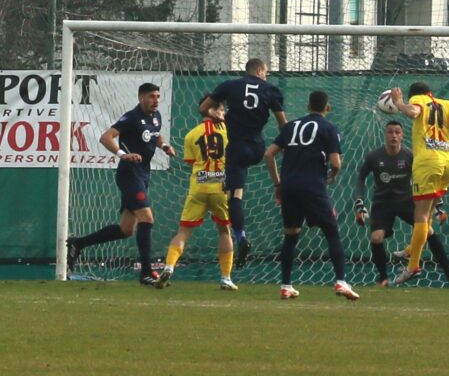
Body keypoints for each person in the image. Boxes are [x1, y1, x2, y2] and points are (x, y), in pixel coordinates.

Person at [67, 83, 176, 285]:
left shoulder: (156, 116)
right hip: (129, 175)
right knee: (147, 219)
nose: (156, 100)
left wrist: (165, 145)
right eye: (152, 96)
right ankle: (145, 273)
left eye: (158, 96)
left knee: (126, 230)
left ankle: (78, 243)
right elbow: (105, 137)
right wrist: (123, 154)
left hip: (143, 175)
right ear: (141, 97)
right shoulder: (131, 117)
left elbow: (156, 134)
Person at [264, 90, 359, 300]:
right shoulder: (329, 128)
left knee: (290, 235)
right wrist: (332, 176)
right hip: (312, 186)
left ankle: (286, 285)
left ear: (308, 107)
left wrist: (277, 183)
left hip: (288, 186)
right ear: (328, 108)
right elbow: (335, 163)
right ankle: (341, 282)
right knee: (332, 231)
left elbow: (269, 153)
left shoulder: (291, 126)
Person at [390, 82, 449, 284]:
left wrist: (399, 102)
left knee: (421, 215)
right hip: (448, 163)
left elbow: (414, 112)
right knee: (429, 213)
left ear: (415, 93)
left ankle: (413, 265)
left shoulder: (418, 99)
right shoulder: (448, 103)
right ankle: (410, 249)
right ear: (431, 92)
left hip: (428, 162)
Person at [354, 120, 449, 287]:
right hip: (382, 203)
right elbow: (361, 178)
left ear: (402, 135)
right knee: (376, 237)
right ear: (385, 135)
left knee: (428, 231)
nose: (393, 135)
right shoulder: (374, 157)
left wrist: (438, 206)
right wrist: (359, 202)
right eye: (390, 132)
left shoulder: (410, 156)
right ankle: (383, 277)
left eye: (397, 132)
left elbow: (427, 180)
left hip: (407, 201)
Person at [200, 58, 287, 269]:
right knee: (268, 156)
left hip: (236, 149)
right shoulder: (271, 90)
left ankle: (241, 236)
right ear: (259, 70)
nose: (266, 76)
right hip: (257, 148)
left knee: (234, 196)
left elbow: (203, 108)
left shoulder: (230, 85)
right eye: (266, 72)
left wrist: (218, 117)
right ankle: (278, 184)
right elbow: (283, 124)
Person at [155, 96, 237, 290]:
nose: (223, 113)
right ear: (213, 110)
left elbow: (192, 162)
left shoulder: (191, 135)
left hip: (198, 186)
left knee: (183, 231)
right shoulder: (228, 133)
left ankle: (169, 267)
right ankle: (226, 278)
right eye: (222, 109)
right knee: (225, 231)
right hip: (220, 186)